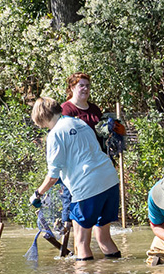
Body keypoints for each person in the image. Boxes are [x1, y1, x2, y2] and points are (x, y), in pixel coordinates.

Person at [28, 98, 121, 261]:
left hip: (87, 187)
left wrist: (37, 194)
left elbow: (52, 176)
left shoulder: (55, 134)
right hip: (110, 180)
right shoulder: (80, 123)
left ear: (41, 117)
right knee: (104, 239)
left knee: (81, 242)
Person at [55, 73, 105, 235]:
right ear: (71, 88)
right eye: (81, 85)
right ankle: (67, 235)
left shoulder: (95, 109)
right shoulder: (66, 109)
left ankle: (88, 233)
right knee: (70, 198)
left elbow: (102, 136)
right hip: (74, 165)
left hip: (96, 164)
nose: (85, 89)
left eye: (87, 86)